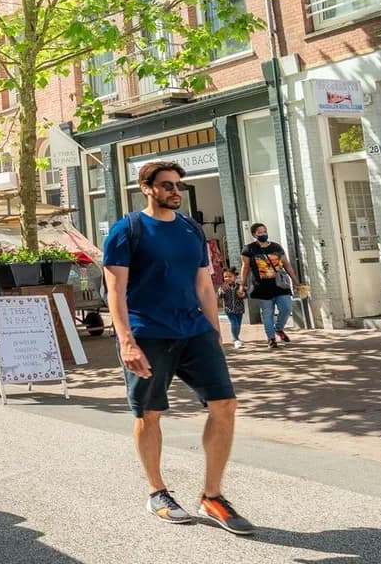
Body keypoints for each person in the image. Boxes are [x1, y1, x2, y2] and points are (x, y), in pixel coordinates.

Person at [103, 161, 254, 535]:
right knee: (149, 413)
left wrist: (214, 329)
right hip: (148, 334)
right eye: (167, 185)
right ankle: (157, 491)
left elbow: (204, 284)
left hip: (195, 332)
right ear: (146, 188)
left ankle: (213, 495)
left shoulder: (190, 229)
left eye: (178, 186)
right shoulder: (127, 231)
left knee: (225, 405)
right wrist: (126, 341)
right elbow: (115, 291)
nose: (175, 191)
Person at [240, 223, 299, 349]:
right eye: (260, 233)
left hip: (280, 285)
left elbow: (287, 264)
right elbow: (245, 268)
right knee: (268, 314)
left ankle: (279, 329)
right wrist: (242, 285)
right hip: (262, 287)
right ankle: (271, 339)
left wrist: (295, 281)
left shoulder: (276, 247)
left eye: (264, 231)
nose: (263, 234)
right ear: (254, 235)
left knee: (286, 308)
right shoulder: (248, 249)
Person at [218, 269, 246, 350]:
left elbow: (245, 295)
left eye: (230, 276)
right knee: (234, 323)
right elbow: (219, 297)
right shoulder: (223, 286)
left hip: (239, 309)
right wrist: (222, 291)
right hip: (229, 309)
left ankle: (237, 337)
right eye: (225, 277)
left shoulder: (239, 286)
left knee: (238, 325)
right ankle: (236, 340)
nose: (227, 278)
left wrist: (243, 294)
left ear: (235, 277)